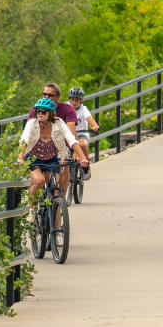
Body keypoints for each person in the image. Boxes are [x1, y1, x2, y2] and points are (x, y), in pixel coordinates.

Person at [17, 98, 88, 227]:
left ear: (51, 113)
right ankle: (31, 209)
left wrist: (83, 157)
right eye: (38, 111)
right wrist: (20, 158)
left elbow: (71, 140)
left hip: (52, 159)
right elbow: (24, 140)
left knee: (55, 193)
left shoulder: (58, 123)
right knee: (39, 181)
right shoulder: (32, 124)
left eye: (43, 111)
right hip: (33, 159)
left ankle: (56, 232)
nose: (40, 113)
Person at [27, 83, 78, 194]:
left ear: (57, 97)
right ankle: (32, 203)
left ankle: (59, 202)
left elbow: (71, 131)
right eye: (44, 94)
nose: (46, 97)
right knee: (37, 179)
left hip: (61, 145)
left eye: (50, 95)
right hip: (40, 146)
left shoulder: (67, 109)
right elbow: (29, 133)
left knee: (64, 165)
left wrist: (74, 151)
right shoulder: (37, 108)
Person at [66, 86, 99, 178]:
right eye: (72, 99)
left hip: (82, 133)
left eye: (77, 100)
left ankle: (86, 164)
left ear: (81, 100)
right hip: (69, 134)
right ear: (69, 99)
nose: (74, 102)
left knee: (82, 144)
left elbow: (89, 119)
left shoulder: (83, 109)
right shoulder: (66, 107)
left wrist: (94, 126)